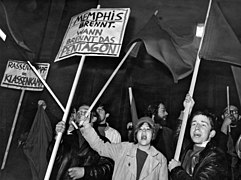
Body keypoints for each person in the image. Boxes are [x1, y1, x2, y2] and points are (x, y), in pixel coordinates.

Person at [80, 114, 168, 180]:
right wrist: (87, 126)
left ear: (153, 134)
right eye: (140, 129)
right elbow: (100, 146)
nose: (144, 133)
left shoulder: (160, 159)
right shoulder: (123, 149)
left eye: (148, 129)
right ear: (136, 134)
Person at [48, 105, 114, 180]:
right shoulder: (66, 139)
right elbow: (51, 158)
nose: (81, 114)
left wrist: (85, 172)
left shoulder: (102, 142)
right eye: (79, 112)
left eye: (85, 112)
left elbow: (108, 168)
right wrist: (57, 137)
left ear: (94, 118)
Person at [168, 101, 228, 179]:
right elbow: (178, 137)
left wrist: (176, 170)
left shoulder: (216, 157)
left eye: (203, 125)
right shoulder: (188, 149)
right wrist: (186, 111)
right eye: (194, 124)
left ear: (211, 134)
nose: (197, 127)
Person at [220, 105, 241, 180]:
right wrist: (225, 125)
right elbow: (220, 149)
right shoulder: (215, 133)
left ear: (239, 117)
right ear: (222, 116)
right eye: (228, 112)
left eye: (235, 112)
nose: (231, 114)